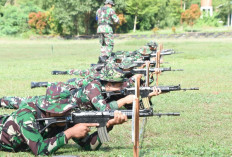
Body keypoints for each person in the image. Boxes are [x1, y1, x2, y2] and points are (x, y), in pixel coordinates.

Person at [0, 94, 128, 155]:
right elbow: (39, 150)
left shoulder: (63, 119)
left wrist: (108, 125)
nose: (68, 113)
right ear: (49, 110)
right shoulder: (27, 115)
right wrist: (70, 133)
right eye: (62, 111)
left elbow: (90, 146)